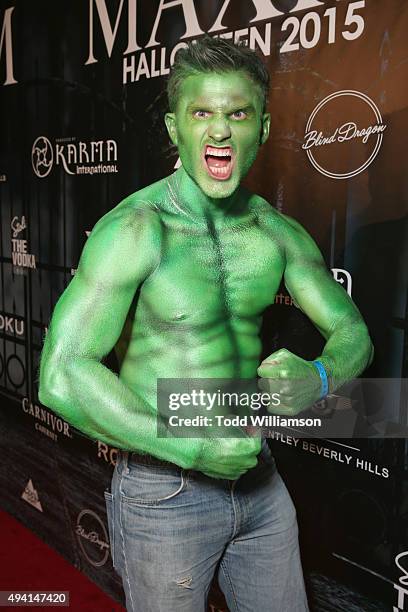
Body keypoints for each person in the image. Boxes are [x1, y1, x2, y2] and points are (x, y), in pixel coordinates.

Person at [39, 37, 373, 612]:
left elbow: (355, 334)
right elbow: (61, 377)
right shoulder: (136, 229)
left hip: (259, 479)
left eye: (237, 114)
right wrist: (194, 450)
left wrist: (318, 378)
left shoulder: (276, 232)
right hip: (164, 488)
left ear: (263, 129)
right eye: (202, 114)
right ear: (175, 129)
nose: (219, 131)